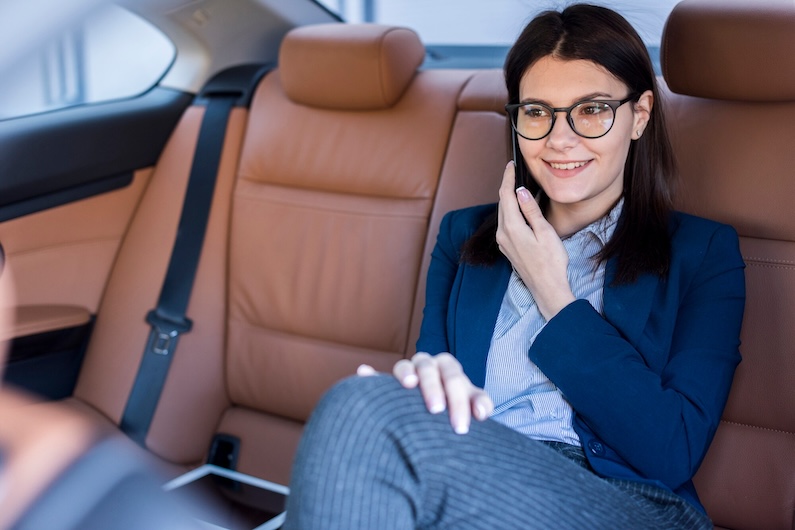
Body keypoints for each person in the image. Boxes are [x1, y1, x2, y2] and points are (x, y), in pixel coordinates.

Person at [282, 4, 745, 529]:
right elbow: (439, 384)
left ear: (639, 115)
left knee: (360, 409)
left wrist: (554, 294)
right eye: (537, 112)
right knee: (369, 410)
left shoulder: (703, 253)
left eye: (592, 110)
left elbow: (671, 450)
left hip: (626, 502)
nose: (559, 139)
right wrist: (422, 386)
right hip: (470, 476)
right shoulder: (463, 238)